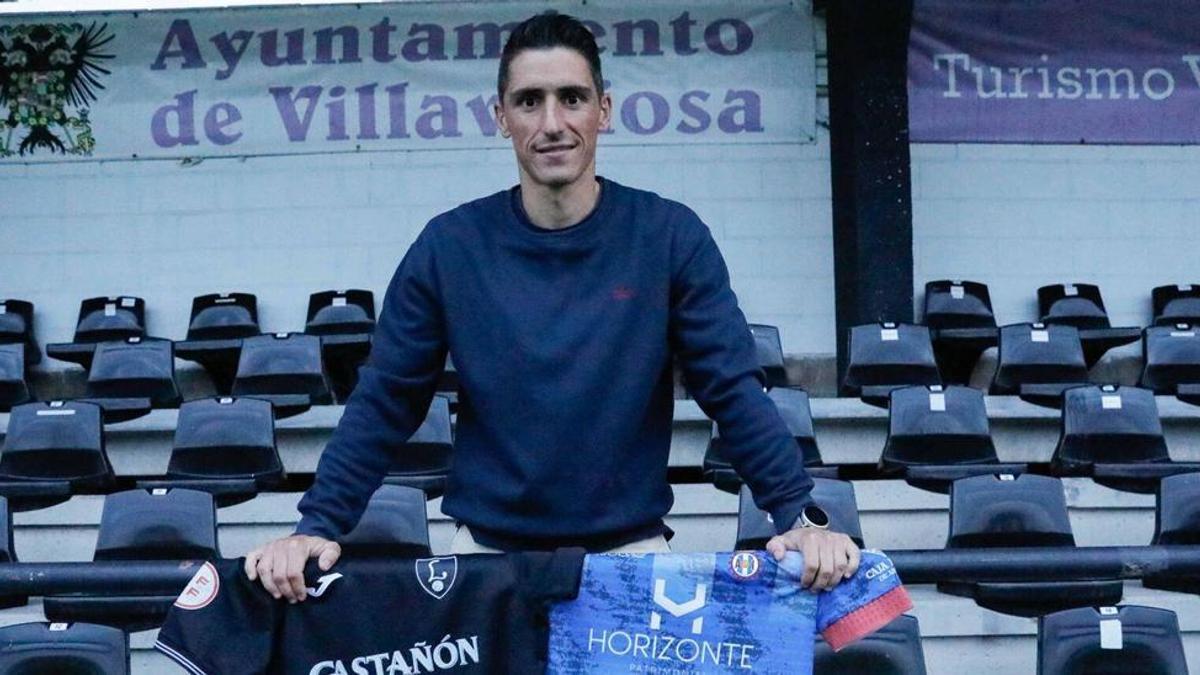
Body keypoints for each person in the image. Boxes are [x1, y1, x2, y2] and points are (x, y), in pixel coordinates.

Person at [246, 12, 860, 603]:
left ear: (604, 111)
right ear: (501, 117)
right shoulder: (449, 246)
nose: (552, 122)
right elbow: (385, 400)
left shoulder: (670, 237)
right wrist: (317, 524)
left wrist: (798, 513)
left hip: (631, 558)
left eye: (571, 98)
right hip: (486, 561)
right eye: (529, 101)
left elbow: (731, 388)